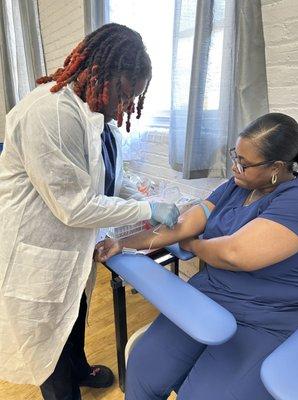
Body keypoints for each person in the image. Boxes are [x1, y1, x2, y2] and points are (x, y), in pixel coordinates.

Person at [0, 23, 180, 400]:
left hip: (72, 246)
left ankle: (79, 368)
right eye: (123, 95)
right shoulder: (49, 113)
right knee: (48, 334)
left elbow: (108, 181)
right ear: (98, 74)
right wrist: (147, 207)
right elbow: (75, 205)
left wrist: (143, 202)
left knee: (75, 310)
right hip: (38, 244)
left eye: (133, 98)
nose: (124, 108)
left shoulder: (97, 119)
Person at [95, 113, 298, 400]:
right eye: (235, 156)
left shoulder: (294, 200)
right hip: (209, 296)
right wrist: (123, 242)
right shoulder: (236, 186)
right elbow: (187, 223)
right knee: (143, 365)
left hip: (265, 316)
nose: (234, 166)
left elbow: (234, 254)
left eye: (244, 162)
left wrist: (192, 247)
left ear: (276, 167)